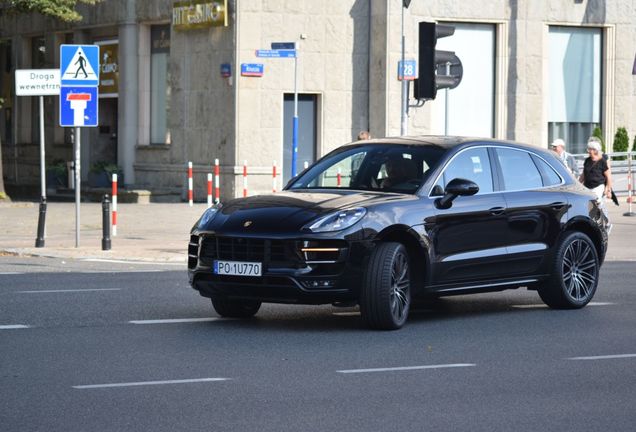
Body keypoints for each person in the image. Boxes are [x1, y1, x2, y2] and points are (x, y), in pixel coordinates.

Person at [579, 137, 612, 204]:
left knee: (597, 203)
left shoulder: (602, 161)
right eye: (589, 149)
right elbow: (584, 174)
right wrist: (578, 184)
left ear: (596, 150)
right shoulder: (587, 160)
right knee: (589, 205)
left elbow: (608, 176)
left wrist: (608, 189)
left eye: (591, 149)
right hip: (587, 187)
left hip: (598, 187)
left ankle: (601, 213)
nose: (589, 151)